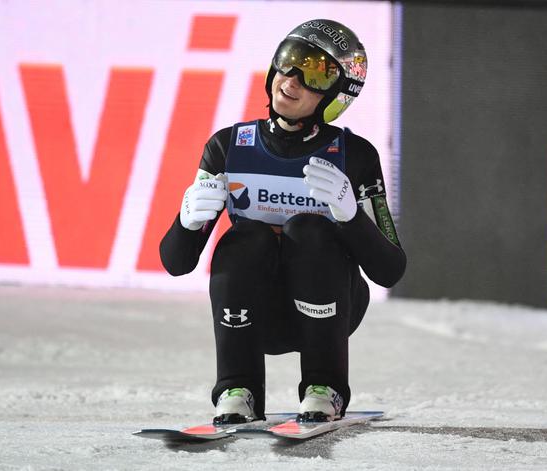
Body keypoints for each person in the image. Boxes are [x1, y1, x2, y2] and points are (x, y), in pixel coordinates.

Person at [159, 19, 406, 424]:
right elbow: (176, 263)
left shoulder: (355, 155)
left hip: (331, 310)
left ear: (336, 96)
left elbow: (391, 270)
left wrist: (350, 219)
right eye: (289, 62)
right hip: (255, 314)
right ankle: (237, 389)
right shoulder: (227, 147)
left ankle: (324, 387)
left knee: (309, 230)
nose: (291, 81)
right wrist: (185, 224)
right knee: (245, 238)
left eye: (313, 75)